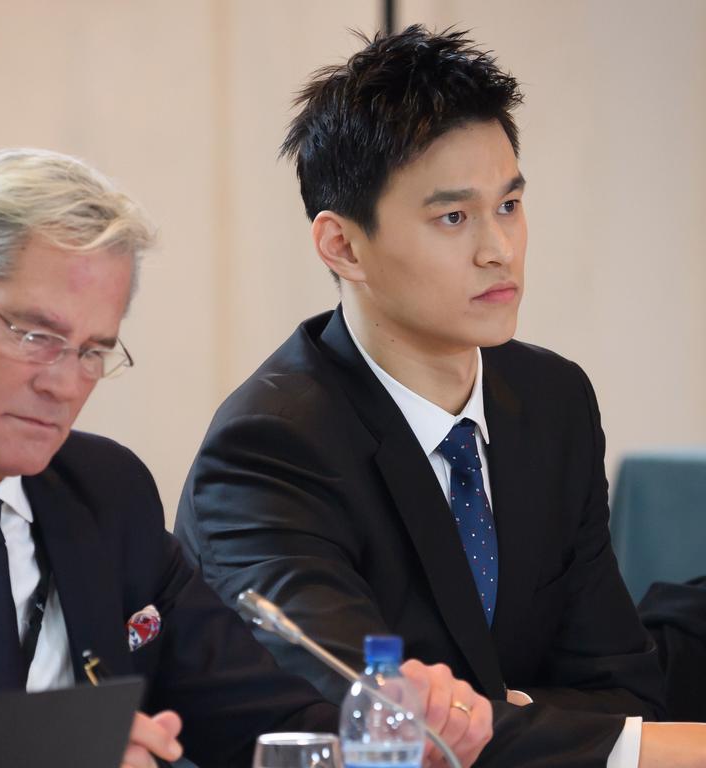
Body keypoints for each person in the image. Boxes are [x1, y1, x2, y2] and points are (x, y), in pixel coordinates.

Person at [0, 148, 492, 768]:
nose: (64, 384)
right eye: (34, 335)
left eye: (93, 351)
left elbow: (258, 720)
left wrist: (384, 735)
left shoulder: (105, 493)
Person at [176, 26, 706, 767]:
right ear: (343, 246)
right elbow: (374, 723)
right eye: (453, 218)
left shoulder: (551, 399)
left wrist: (506, 718)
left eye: (510, 206)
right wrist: (540, 720)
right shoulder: (271, 447)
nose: (499, 249)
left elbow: (622, 687)